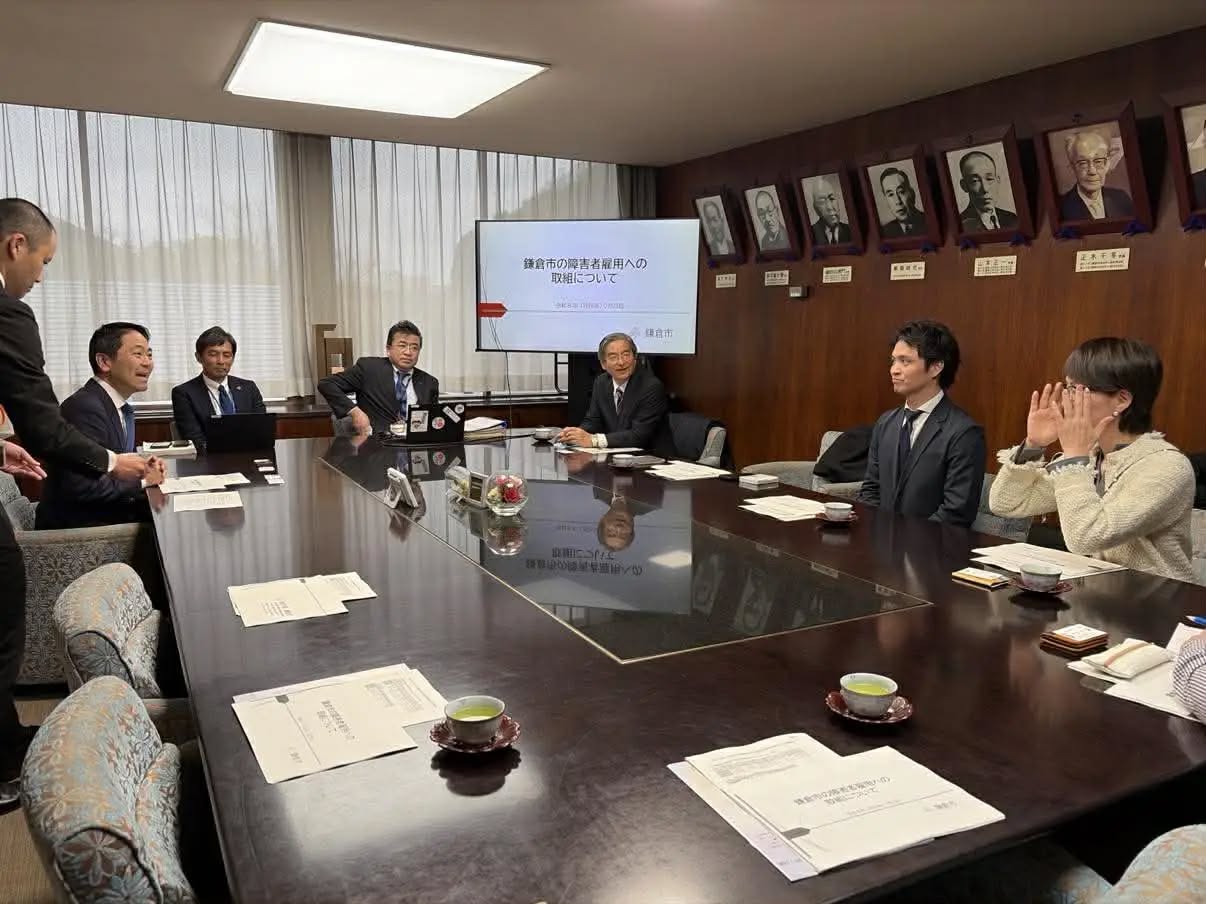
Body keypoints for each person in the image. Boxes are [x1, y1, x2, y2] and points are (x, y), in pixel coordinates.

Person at [0, 198, 152, 813]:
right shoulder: (7, 312)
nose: (41, 276)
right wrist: (115, 462)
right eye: (43, 260)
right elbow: (43, 426)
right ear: (15, 245)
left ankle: (6, 742)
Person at [989, 338, 1194, 581]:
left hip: (1157, 600)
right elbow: (1006, 503)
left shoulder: (1167, 467)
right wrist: (1034, 445)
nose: (1066, 399)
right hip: (1099, 594)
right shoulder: (1095, 456)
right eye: (1068, 387)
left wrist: (1074, 459)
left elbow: (1085, 537)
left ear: (1122, 400)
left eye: (1078, 389)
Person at [36, 322, 167, 529]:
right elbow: (83, 488)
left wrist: (142, 469)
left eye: (149, 355)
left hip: (112, 515)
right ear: (104, 362)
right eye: (138, 354)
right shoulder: (84, 407)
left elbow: (115, 470)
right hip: (83, 530)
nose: (148, 363)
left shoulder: (121, 408)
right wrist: (144, 482)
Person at [858, 321, 985, 527]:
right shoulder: (886, 422)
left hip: (932, 544)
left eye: (905, 361)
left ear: (936, 367)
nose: (894, 370)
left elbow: (957, 511)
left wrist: (908, 541)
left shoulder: (964, 432)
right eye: (893, 361)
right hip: (881, 541)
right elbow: (871, 489)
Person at [557, 332, 676, 459]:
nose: (621, 362)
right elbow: (593, 421)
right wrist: (575, 435)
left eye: (626, 355)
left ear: (635, 358)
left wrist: (593, 440)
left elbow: (638, 435)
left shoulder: (650, 386)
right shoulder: (601, 383)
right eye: (613, 357)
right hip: (618, 457)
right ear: (603, 364)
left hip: (652, 459)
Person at [318, 320, 439, 435]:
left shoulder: (429, 382)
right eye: (402, 345)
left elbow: (432, 423)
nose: (408, 352)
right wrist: (355, 412)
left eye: (414, 348)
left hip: (415, 444)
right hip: (378, 444)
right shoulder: (369, 369)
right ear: (388, 349)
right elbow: (327, 384)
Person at [171, 326, 266, 450]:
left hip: (249, 456)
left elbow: (261, 431)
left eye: (227, 355)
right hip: (208, 459)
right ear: (198, 357)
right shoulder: (184, 393)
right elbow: (195, 439)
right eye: (213, 354)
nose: (221, 361)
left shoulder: (249, 388)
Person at [1058, 130, 1134, 221]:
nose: (1092, 171)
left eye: (1098, 161)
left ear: (1107, 164)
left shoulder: (1122, 199)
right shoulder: (1059, 207)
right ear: (1072, 167)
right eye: (1083, 163)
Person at [956, 150, 1018, 232]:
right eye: (975, 181)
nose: (985, 189)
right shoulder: (961, 225)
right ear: (964, 185)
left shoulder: (1012, 219)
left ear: (997, 180)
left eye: (989, 179)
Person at [878, 167, 927, 237]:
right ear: (885, 199)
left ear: (912, 193)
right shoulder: (885, 232)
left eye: (901, 192)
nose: (898, 201)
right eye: (891, 194)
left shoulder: (929, 221)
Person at [809, 177, 852, 245]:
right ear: (815, 208)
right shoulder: (810, 235)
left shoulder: (851, 231)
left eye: (832, 198)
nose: (830, 207)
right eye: (822, 201)